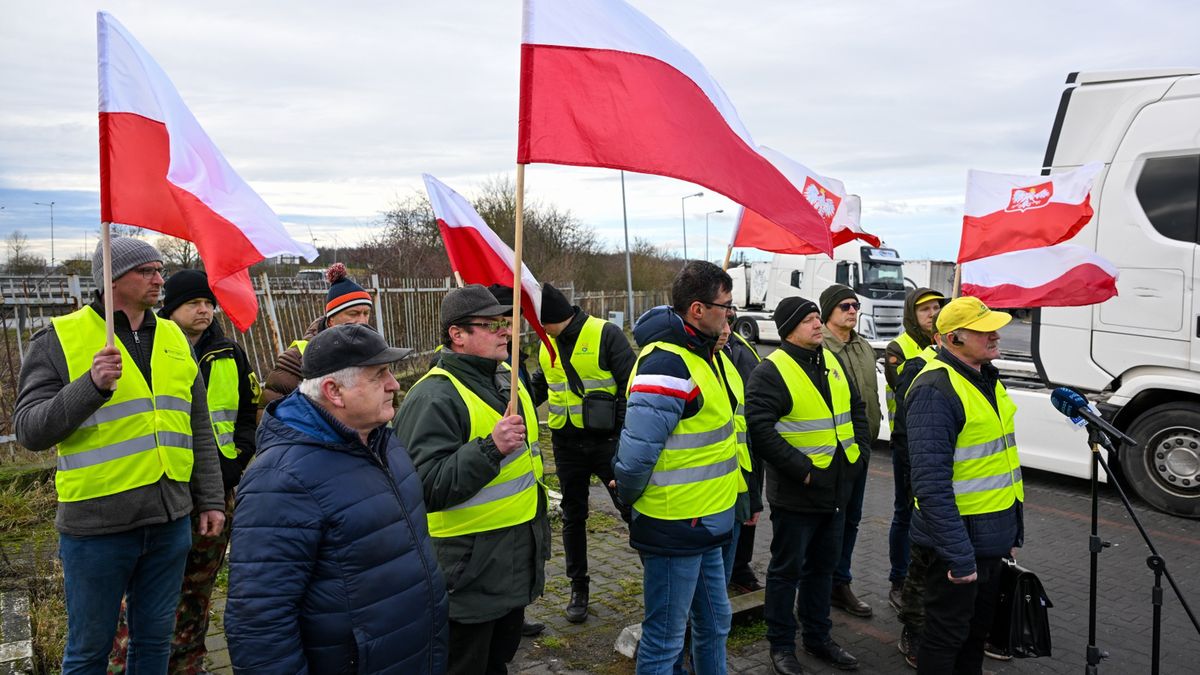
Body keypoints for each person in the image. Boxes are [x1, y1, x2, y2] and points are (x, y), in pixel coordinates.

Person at [13, 238, 225, 674]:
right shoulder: (59, 339)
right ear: (110, 278)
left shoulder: (172, 336)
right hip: (97, 529)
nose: (159, 279)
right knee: (89, 651)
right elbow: (30, 431)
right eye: (146, 271)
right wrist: (89, 385)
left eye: (159, 269)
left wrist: (211, 499)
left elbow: (197, 425)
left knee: (153, 645)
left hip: (169, 523)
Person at [225, 324, 448, 674]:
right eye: (379, 375)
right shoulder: (281, 480)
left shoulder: (382, 442)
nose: (395, 384)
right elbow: (260, 622)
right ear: (334, 391)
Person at [109, 269, 261, 674]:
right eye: (195, 303)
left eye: (209, 303)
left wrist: (237, 458)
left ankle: (189, 662)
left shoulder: (230, 353)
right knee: (146, 596)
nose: (205, 310)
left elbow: (248, 411)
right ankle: (128, 662)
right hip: (163, 493)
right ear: (171, 309)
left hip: (217, 492)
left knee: (198, 589)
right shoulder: (148, 349)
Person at [394, 285, 549, 675]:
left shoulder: (506, 378)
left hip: (511, 565)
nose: (505, 331)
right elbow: (424, 487)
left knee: (498, 663)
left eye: (505, 323)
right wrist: (490, 448)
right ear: (456, 335)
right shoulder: (433, 397)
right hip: (467, 575)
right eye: (490, 324)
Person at [614, 261, 740, 675]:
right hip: (675, 523)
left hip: (705, 522)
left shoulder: (703, 354)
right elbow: (635, 458)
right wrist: (630, 499)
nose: (731, 314)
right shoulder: (667, 364)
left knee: (715, 622)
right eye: (726, 305)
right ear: (698, 310)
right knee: (666, 638)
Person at [747, 295, 869, 674]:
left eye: (817, 317)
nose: (817, 324)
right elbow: (761, 430)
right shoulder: (771, 370)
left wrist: (859, 455)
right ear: (789, 330)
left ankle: (818, 638)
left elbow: (857, 409)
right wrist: (805, 471)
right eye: (808, 320)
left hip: (836, 490)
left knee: (822, 569)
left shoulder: (831, 360)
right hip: (797, 493)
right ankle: (781, 645)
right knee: (787, 571)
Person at [907, 297, 1024, 674]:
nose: (996, 335)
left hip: (988, 539)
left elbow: (1000, 463)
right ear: (953, 338)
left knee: (975, 636)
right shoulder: (935, 389)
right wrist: (959, 555)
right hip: (957, 546)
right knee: (945, 639)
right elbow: (931, 484)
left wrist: (1009, 533)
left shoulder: (985, 378)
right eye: (984, 329)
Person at [530, 282, 635, 623]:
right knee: (574, 517)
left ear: (548, 318)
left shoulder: (606, 334)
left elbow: (631, 387)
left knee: (632, 510)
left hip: (607, 445)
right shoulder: (546, 344)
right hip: (566, 444)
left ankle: (659, 576)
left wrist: (619, 434)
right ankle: (579, 588)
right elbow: (540, 385)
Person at [818, 284, 882, 620]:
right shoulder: (818, 349)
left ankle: (840, 582)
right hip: (834, 452)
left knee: (852, 520)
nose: (853, 311)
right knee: (832, 520)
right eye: (845, 306)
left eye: (855, 305)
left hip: (863, 447)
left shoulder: (863, 346)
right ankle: (821, 583)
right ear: (828, 311)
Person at [884, 287, 945, 614]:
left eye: (937, 307)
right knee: (904, 513)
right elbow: (912, 389)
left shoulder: (945, 341)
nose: (933, 313)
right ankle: (898, 579)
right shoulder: (899, 348)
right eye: (925, 309)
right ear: (912, 314)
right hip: (907, 444)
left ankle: (926, 577)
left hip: (937, 445)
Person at [260, 262, 374, 405]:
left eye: (366, 313)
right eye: (354, 314)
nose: (362, 321)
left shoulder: (372, 348)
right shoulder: (297, 358)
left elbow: (388, 403)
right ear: (331, 320)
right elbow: (271, 413)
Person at [720, 318, 765, 594]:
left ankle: (738, 567)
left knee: (747, 514)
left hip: (746, 450)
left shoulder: (741, 347)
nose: (726, 326)